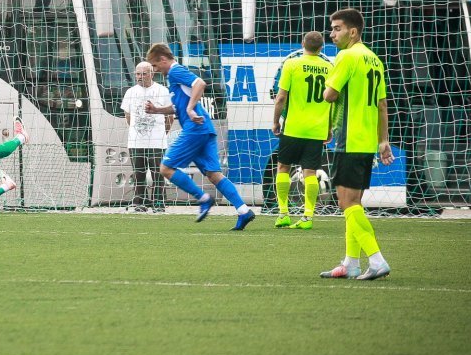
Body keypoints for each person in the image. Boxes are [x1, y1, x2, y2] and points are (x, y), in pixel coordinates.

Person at [144, 43, 256, 230]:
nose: (155, 70)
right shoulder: (173, 77)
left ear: (163, 59)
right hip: (204, 128)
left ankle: (203, 198)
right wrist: (157, 110)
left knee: (166, 168)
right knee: (214, 174)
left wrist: (190, 109)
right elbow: (178, 106)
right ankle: (244, 211)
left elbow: (200, 83)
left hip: (194, 129)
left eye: (155, 66)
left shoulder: (175, 71)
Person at [320, 8, 394, 280]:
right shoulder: (374, 59)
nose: (332, 34)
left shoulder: (347, 56)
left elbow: (329, 95)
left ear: (353, 32)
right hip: (365, 143)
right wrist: (383, 140)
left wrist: (327, 87)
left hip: (348, 140)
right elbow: (382, 104)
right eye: (331, 29)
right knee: (354, 204)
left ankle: (376, 260)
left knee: (347, 204)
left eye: (337, 28)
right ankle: (351, 263)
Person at [271, 31, 333, 229]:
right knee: (310, 172)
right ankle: (307, 217)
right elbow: (333, 101)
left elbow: (281, 97)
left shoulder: (292, 64)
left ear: (302, 44)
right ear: (321, 47)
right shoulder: (329, 67)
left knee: (283, 167)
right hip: (317, 130)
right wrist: (329, 127)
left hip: (293, 128)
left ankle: (283, 213)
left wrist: (275, 122)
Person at [121, 61, 172, 212]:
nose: (140, 77)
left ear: (152, 74)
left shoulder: (162, 91)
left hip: (157, 142)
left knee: (158, 174)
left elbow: (170, 117)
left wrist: (162, 133)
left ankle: (158, 204)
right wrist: (137, 131)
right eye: (137, 74)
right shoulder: (130, 92)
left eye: (143, 74)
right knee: (139, 174)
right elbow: (128, 116)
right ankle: (139, 203)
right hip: (136, 142)